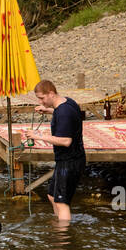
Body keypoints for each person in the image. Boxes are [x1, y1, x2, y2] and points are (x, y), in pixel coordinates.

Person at [27, 79, 86, 222]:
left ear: (51, 93)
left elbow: (66, 141)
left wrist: (39, 136)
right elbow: (67, 115)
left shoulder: (64, 113)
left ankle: (63, 239)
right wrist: (49, 111)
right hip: (66, 160)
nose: (41, 102)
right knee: (52, 196)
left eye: (42, 98)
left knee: (61, 202)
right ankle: (58, 223)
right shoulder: (67, 103)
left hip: (70, 161)